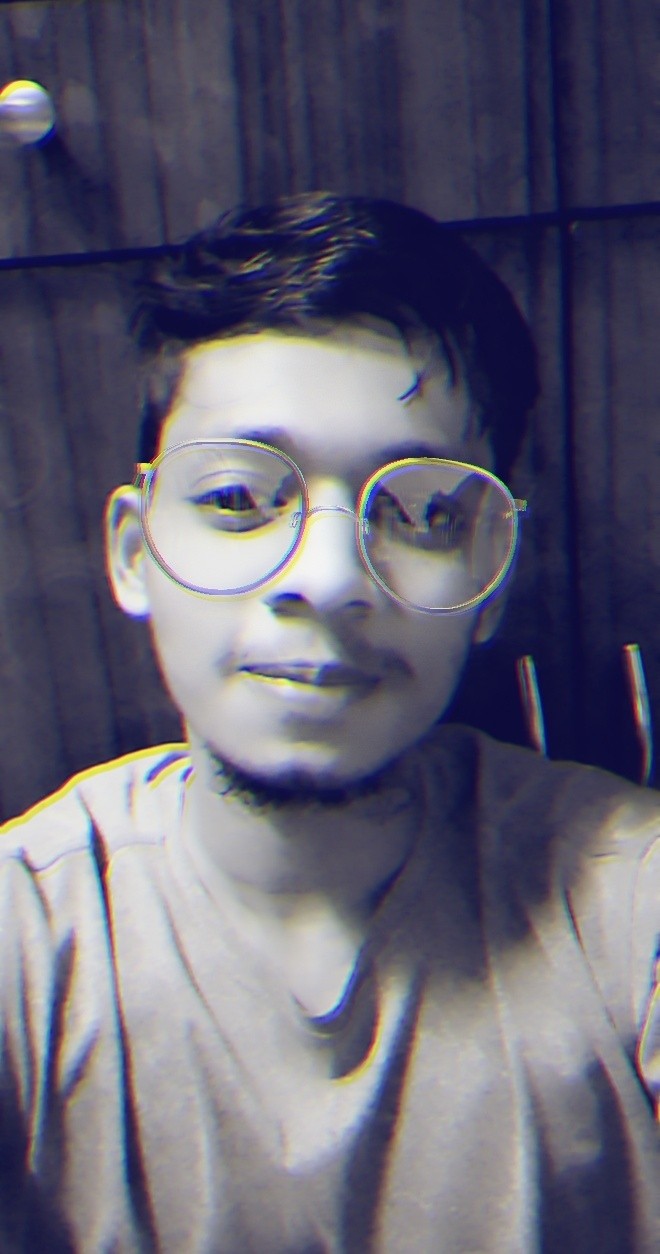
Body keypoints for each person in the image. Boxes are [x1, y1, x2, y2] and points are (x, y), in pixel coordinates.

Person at [0, 192, 657, 1253]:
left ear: (492, 578)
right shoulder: (29, 939)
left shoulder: (626, 901)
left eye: (423, 512)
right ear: (133, 552)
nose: (331, 578)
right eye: (236, 500)